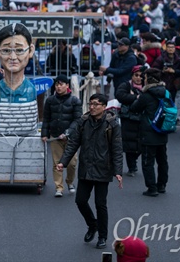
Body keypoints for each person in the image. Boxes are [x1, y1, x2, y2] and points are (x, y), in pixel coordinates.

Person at [57, 93, 123, 250]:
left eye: (96, 104)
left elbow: (117, 149)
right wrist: (63, 162)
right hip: (86, 168)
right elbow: (73, 143)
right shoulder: (83, 122)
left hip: (103, 169)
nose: (92, 107)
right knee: (80, 201)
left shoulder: (112, 124)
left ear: (104, 106)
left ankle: (102, 237)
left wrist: (118, 171)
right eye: (90, 103)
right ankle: (92, 224)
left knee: (100, 204)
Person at [129, 68, 170, 197]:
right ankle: (162, 185)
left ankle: (152, 188)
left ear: (149, 79)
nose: (142, 79)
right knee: (162, 160)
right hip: (163, 131)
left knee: (148, 162)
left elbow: (134, 108)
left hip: (148, 132)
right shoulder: (166, 92)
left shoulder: (146, 95)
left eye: (144, 77)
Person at [41, 74, 82, 197]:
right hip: (55, 136)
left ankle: (70, 182)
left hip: (71, 138)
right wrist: (44, 134)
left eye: (61, 84)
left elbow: (77, 120)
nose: (58, 87)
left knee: (72, 163)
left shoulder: (75, 101)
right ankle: (59, 187)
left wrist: (67, 133)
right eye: (57, 85)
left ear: (67, 86)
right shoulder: (50, 101)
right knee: (57, 162)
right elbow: (46, 118)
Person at [0, 23, 36, 103]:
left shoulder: (31, 90)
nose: (13, 57)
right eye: (6, 50)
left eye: (19, 50)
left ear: (31, 51)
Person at [116, 65, 144, 177]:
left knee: (142, 143)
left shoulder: (146, 86)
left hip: (142, 118)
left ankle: (134, 160)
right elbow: (120, 95)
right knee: (129, 145)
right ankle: (132, 167)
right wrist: (135, 98)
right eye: (136, 75)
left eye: (141, 76)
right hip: (128, 118)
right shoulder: (126, 85)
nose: (138, 78)